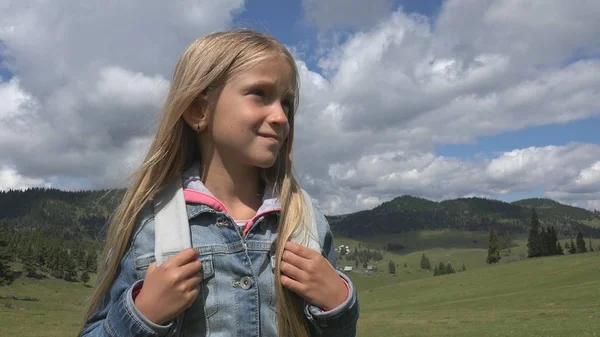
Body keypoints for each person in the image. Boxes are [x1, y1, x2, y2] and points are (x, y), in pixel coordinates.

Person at [79, 29, 359, 337]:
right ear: (199, 109)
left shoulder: (307, 223)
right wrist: (143, 315)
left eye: (287, 103)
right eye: (260, 94)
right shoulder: (151, 226)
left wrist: (339, 305)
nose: (280, 116)